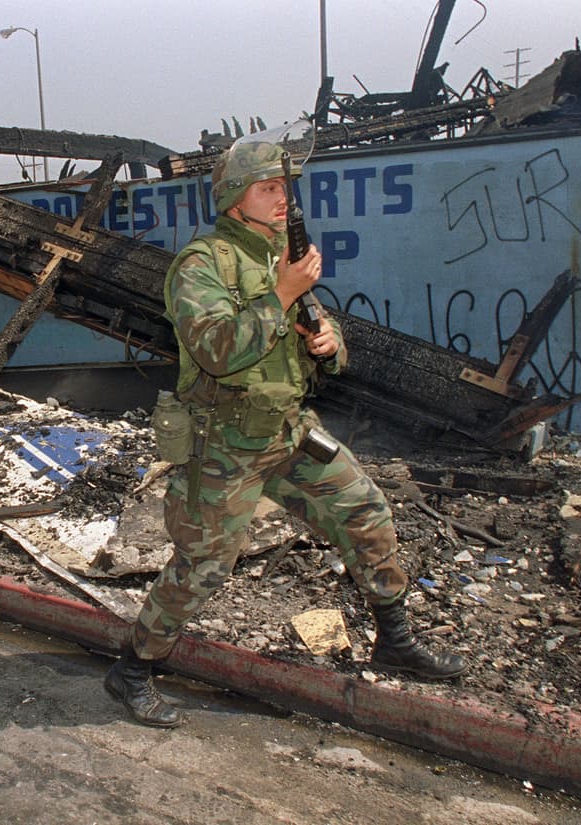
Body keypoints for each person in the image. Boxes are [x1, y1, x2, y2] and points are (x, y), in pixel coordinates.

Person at [105, 139, 467, 728]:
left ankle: (395, 640)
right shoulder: (204, 264)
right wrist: (283, 293)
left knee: (366, 511)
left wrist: (329, 343)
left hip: (290, 432)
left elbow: (315, 330)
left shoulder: (283, 258)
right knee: (204, 565)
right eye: (267, 188)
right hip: (225, 444)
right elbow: (218, 351)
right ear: (232, 197)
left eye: (284, 188)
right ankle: (133, 670)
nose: (281, 199)